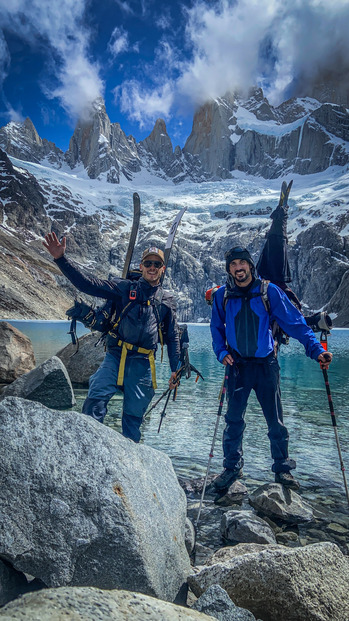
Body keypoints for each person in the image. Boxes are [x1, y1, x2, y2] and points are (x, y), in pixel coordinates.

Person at [210, 246, 333, 491]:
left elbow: (296, 324)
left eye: (242, 263)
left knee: (275, 421)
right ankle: (232, 467)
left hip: (266, 365)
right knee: (233, 420)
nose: (238, 268)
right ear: (229, 269)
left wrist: (317, 350)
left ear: (250, 265)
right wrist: (221, 352)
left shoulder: (269, 291)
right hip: (237, 366)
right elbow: (216, 329)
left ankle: (282, 468)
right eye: (233, 265)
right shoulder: (222, 295)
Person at [43, 232, 180, 443]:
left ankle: (130, 458)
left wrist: (175, 369)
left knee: (134, 417)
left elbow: (172, 337)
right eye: (148, 263)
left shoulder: (167, 301)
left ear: (162, 269)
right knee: (96, 398)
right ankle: (88, 446)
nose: (152, 267)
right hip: (116, 355)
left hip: (143, 362)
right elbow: (88, 284)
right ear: (141, 267)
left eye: (156, 264)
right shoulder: (124, 288)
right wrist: (61, 259)